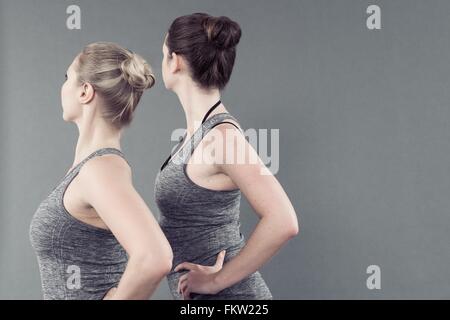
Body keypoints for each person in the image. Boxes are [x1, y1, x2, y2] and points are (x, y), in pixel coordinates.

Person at [154, 13, 299, 300]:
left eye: (163, 54)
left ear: (176, 61)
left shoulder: (221, 137)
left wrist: (216, 281)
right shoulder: (196, 135)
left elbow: (283, 220)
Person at [30, 42, 173, 300]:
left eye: (67, 78)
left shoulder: (100, 169)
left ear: (85, 91)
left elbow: (155, 257)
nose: (62, 86)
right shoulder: (91, 167)